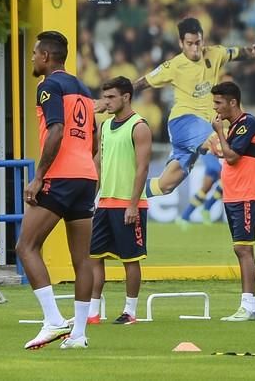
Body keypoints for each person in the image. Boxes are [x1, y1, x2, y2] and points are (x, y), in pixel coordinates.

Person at [16, 31, 97, 350]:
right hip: (86, 177)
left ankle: (53, 320)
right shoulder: (84, 89)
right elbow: (90, 135)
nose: (32, 58)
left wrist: (39, 176)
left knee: (26, 246)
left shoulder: (48, 86)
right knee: (83, 261)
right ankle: (78, 335)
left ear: (46, 57)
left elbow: (57, 130)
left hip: (60, 176)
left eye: (35, 53)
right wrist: (80, 168)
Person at [125, 17, 255, 198]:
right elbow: (143, 82)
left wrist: (252, 52)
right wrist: (121, 95)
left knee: (166, 185)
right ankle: (253, 171)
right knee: (218, 141)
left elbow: (235, 53)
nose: (195, 48)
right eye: (189, 43)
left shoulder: (215, 53)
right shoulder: (173, 65)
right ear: (181, 43)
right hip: (184, 122)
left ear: (203, 40)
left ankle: (125, 192)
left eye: (198, 42)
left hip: (202, 127)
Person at [88, 76, 152, 325]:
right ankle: (92, 311)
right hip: (104, 203)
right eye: (105, 97)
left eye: (111, 97)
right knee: (94, 257)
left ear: (126, 97)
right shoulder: (104, 127)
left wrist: (133, 204)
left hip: (128, 203)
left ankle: (130, 311)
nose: (107, 102)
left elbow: (142, 168)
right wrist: (91, 198)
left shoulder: (139, 126)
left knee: (130, 260)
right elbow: (99, 164)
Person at [211, 81, 255, 321]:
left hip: (245, 194)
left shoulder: (248, 123)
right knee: (241, 249)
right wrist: (221, 147)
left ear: (233, 102)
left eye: (218, 102)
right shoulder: (235, 126)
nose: (216, 108)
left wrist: (220, 133)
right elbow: (232, 154)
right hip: (234, 193)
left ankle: (249, 306)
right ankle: (248, 305)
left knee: (243, 248)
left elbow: (233, 157)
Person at [175, 153, 223, 229]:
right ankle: (206, 208)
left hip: (218, 157)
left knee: (205, 189)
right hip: (210, 152)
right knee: (223, 179)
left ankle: (185, 216)